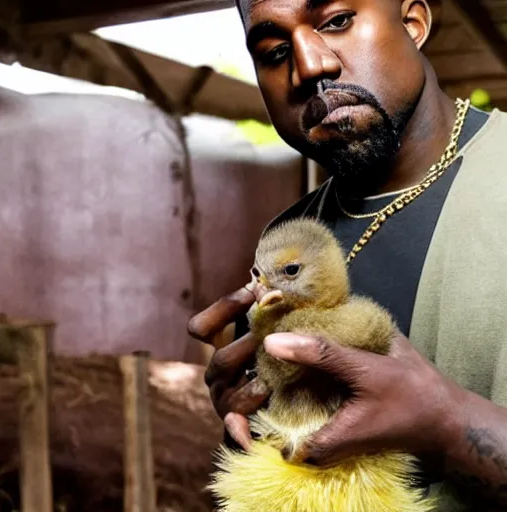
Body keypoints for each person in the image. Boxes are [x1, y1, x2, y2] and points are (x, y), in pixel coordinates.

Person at [188, 0, 507, 510]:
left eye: (337, 21)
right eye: (274, 51)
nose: (309, 66)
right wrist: (257, 428)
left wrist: (447, 423)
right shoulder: (289, 236)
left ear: (413, 21)